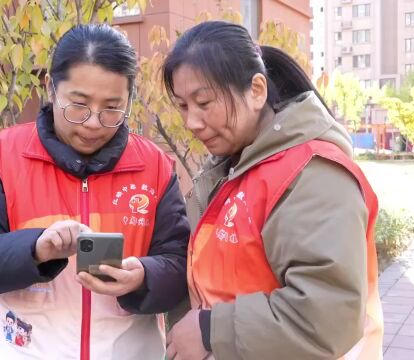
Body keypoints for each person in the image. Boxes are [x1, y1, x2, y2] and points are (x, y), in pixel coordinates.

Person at [0, 24, 190, 360]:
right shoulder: (3, 157)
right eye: (79, 104)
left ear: (130, 99)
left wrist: (144, 277)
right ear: (51, 88)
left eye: (112, 108)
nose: (92, 123)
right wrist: (35, 248)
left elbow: (180, 263)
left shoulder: (155, 167)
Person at [163, 21, 382, 360]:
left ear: (257, 90)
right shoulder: (232, 168)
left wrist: (209, 331)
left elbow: (327, 315)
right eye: (182, 106)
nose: (192, 121)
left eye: (204, 102)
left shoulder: (312, 173)